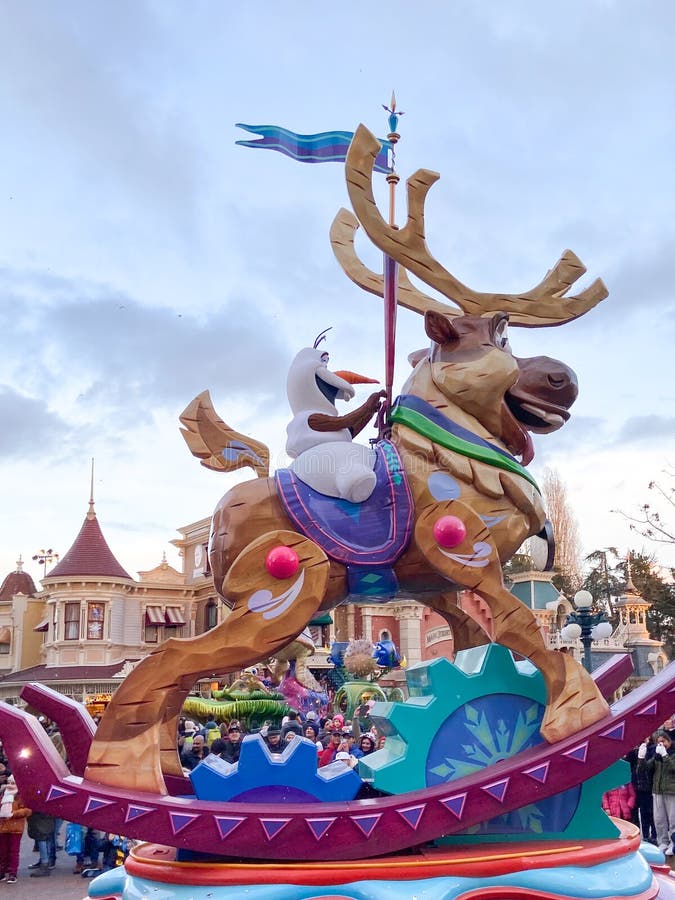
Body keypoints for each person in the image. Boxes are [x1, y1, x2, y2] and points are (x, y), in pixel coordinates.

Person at [638, 731, 675, 855]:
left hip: (671, 791)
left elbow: (673, 768)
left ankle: (673, 842)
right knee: (659, 819)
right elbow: (645, 768)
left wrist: (665, 755)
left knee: (673, 818)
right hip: (657, 791)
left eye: (663, 742)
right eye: (659, 742)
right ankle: (663, 842)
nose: (661, 745)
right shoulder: (657, 756)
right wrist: (641, 758)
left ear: (669, 741)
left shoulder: (671, 754)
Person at [0, 776, 31, 884]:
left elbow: (27, 810)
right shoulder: (3, 795)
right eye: (9, 782)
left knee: (13, 852)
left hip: (15, 828)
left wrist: (14, 814)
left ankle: (13, 873)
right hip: (3, 827)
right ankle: (3, 871)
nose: (10, 784)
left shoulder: (20, 796)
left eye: (13, 782)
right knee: (3, 852)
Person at [27, 810, 55, 877]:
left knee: (42, 838)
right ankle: (46, 862)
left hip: (40, 815)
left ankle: (44, 864)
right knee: (47, 838)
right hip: (47, 814)